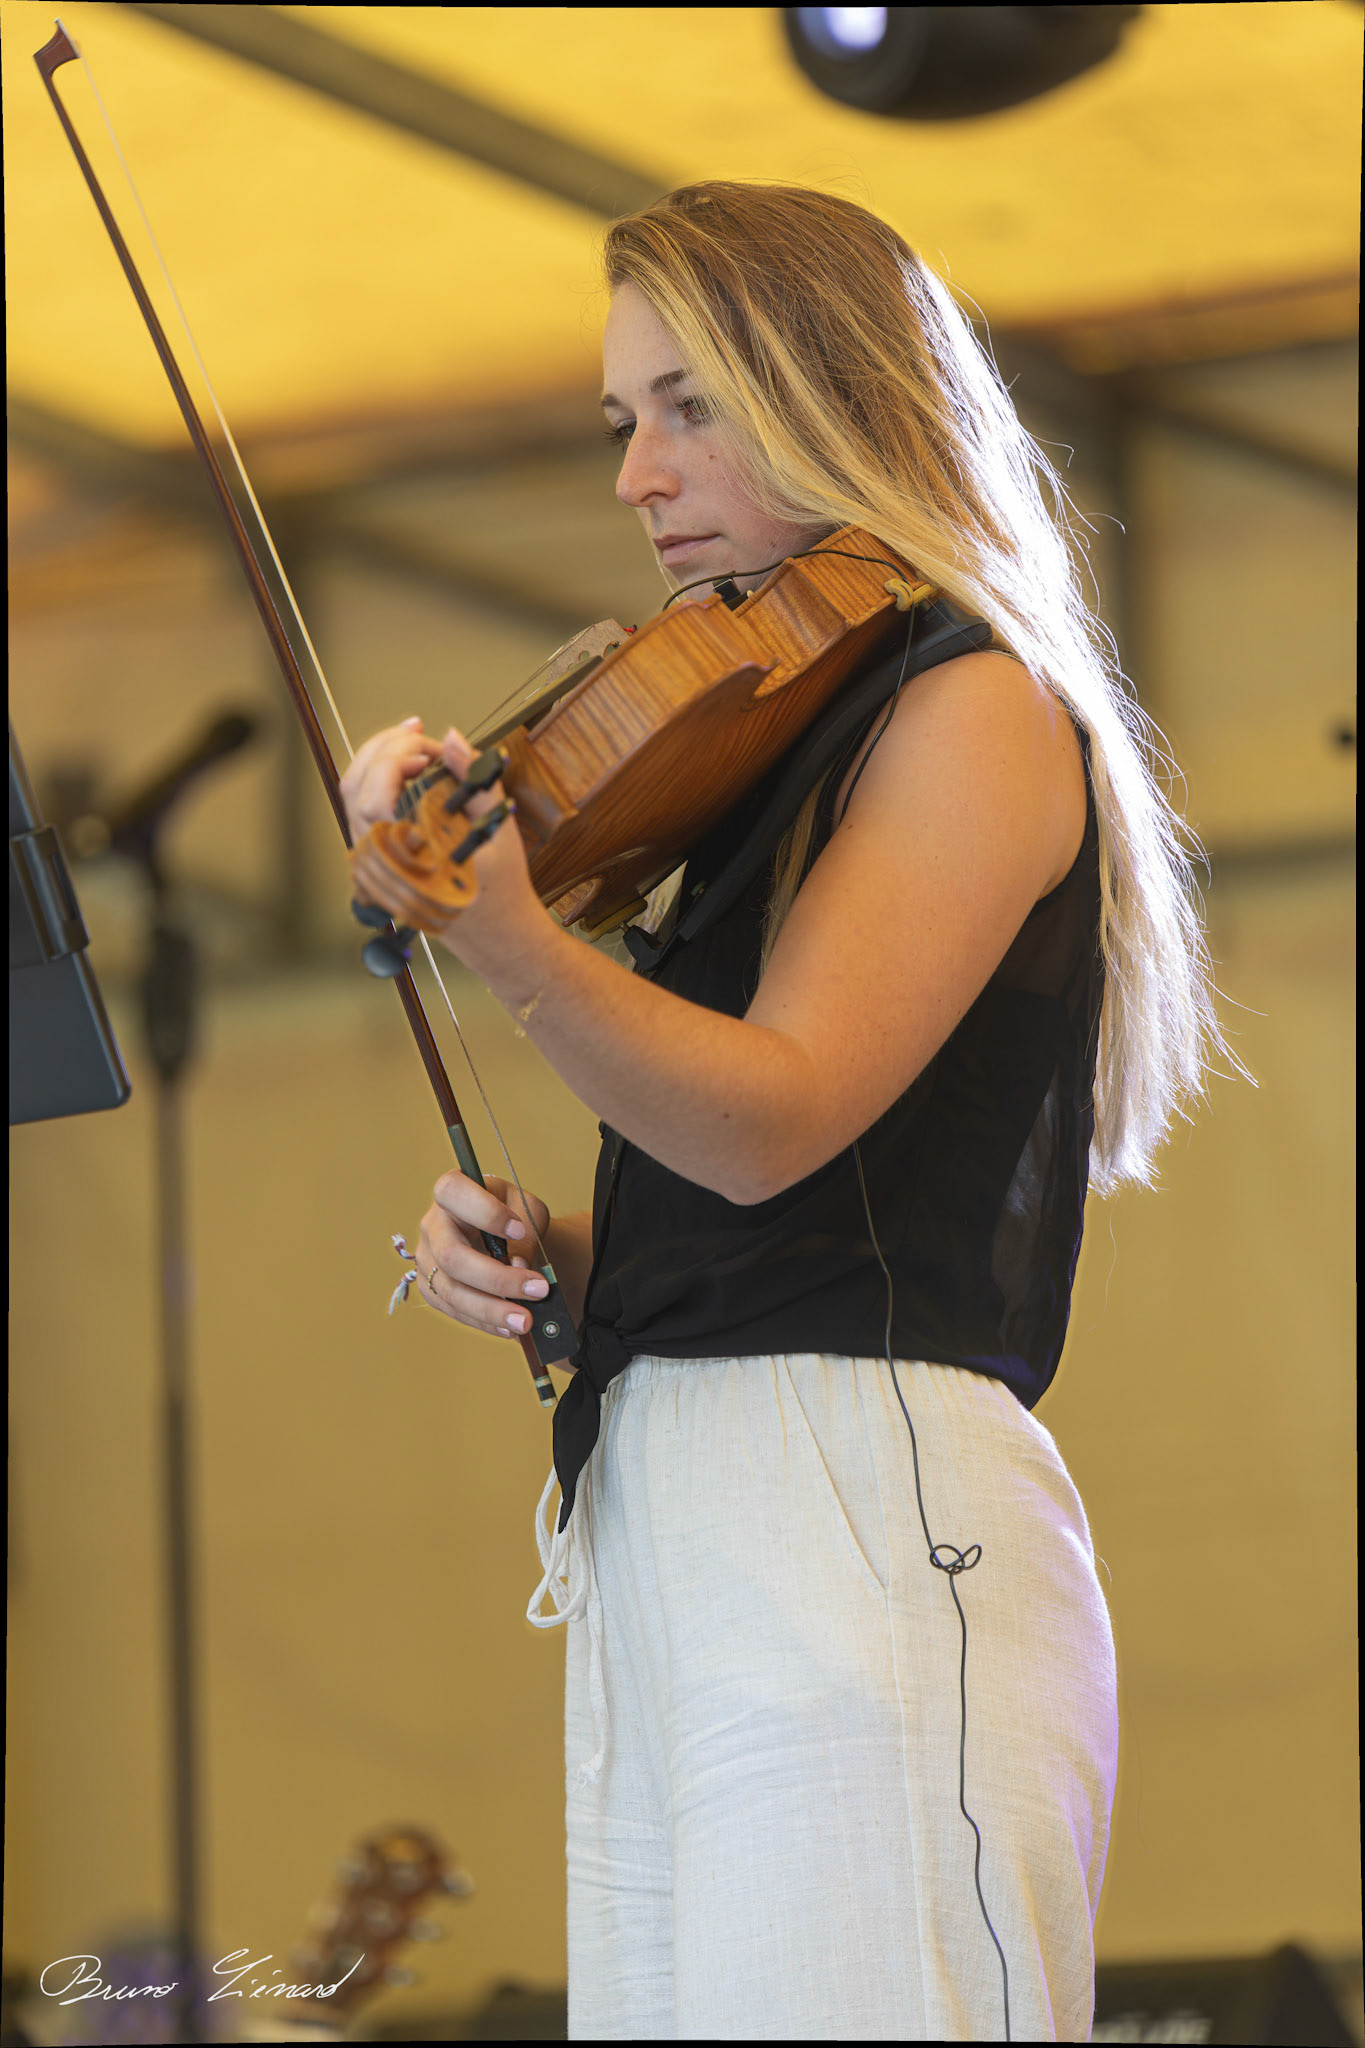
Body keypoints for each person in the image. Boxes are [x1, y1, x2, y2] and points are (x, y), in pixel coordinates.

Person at [339, 184, 1233, 2043]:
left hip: (861, 1524)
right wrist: (562, 1258)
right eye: (619, 424)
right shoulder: (775, 726)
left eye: (691, 405)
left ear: (834, 392)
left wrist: (506, 938)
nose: (636, 477)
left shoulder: (969, 703)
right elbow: (777, 1203)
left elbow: (774, 1122)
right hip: (706, 1526)